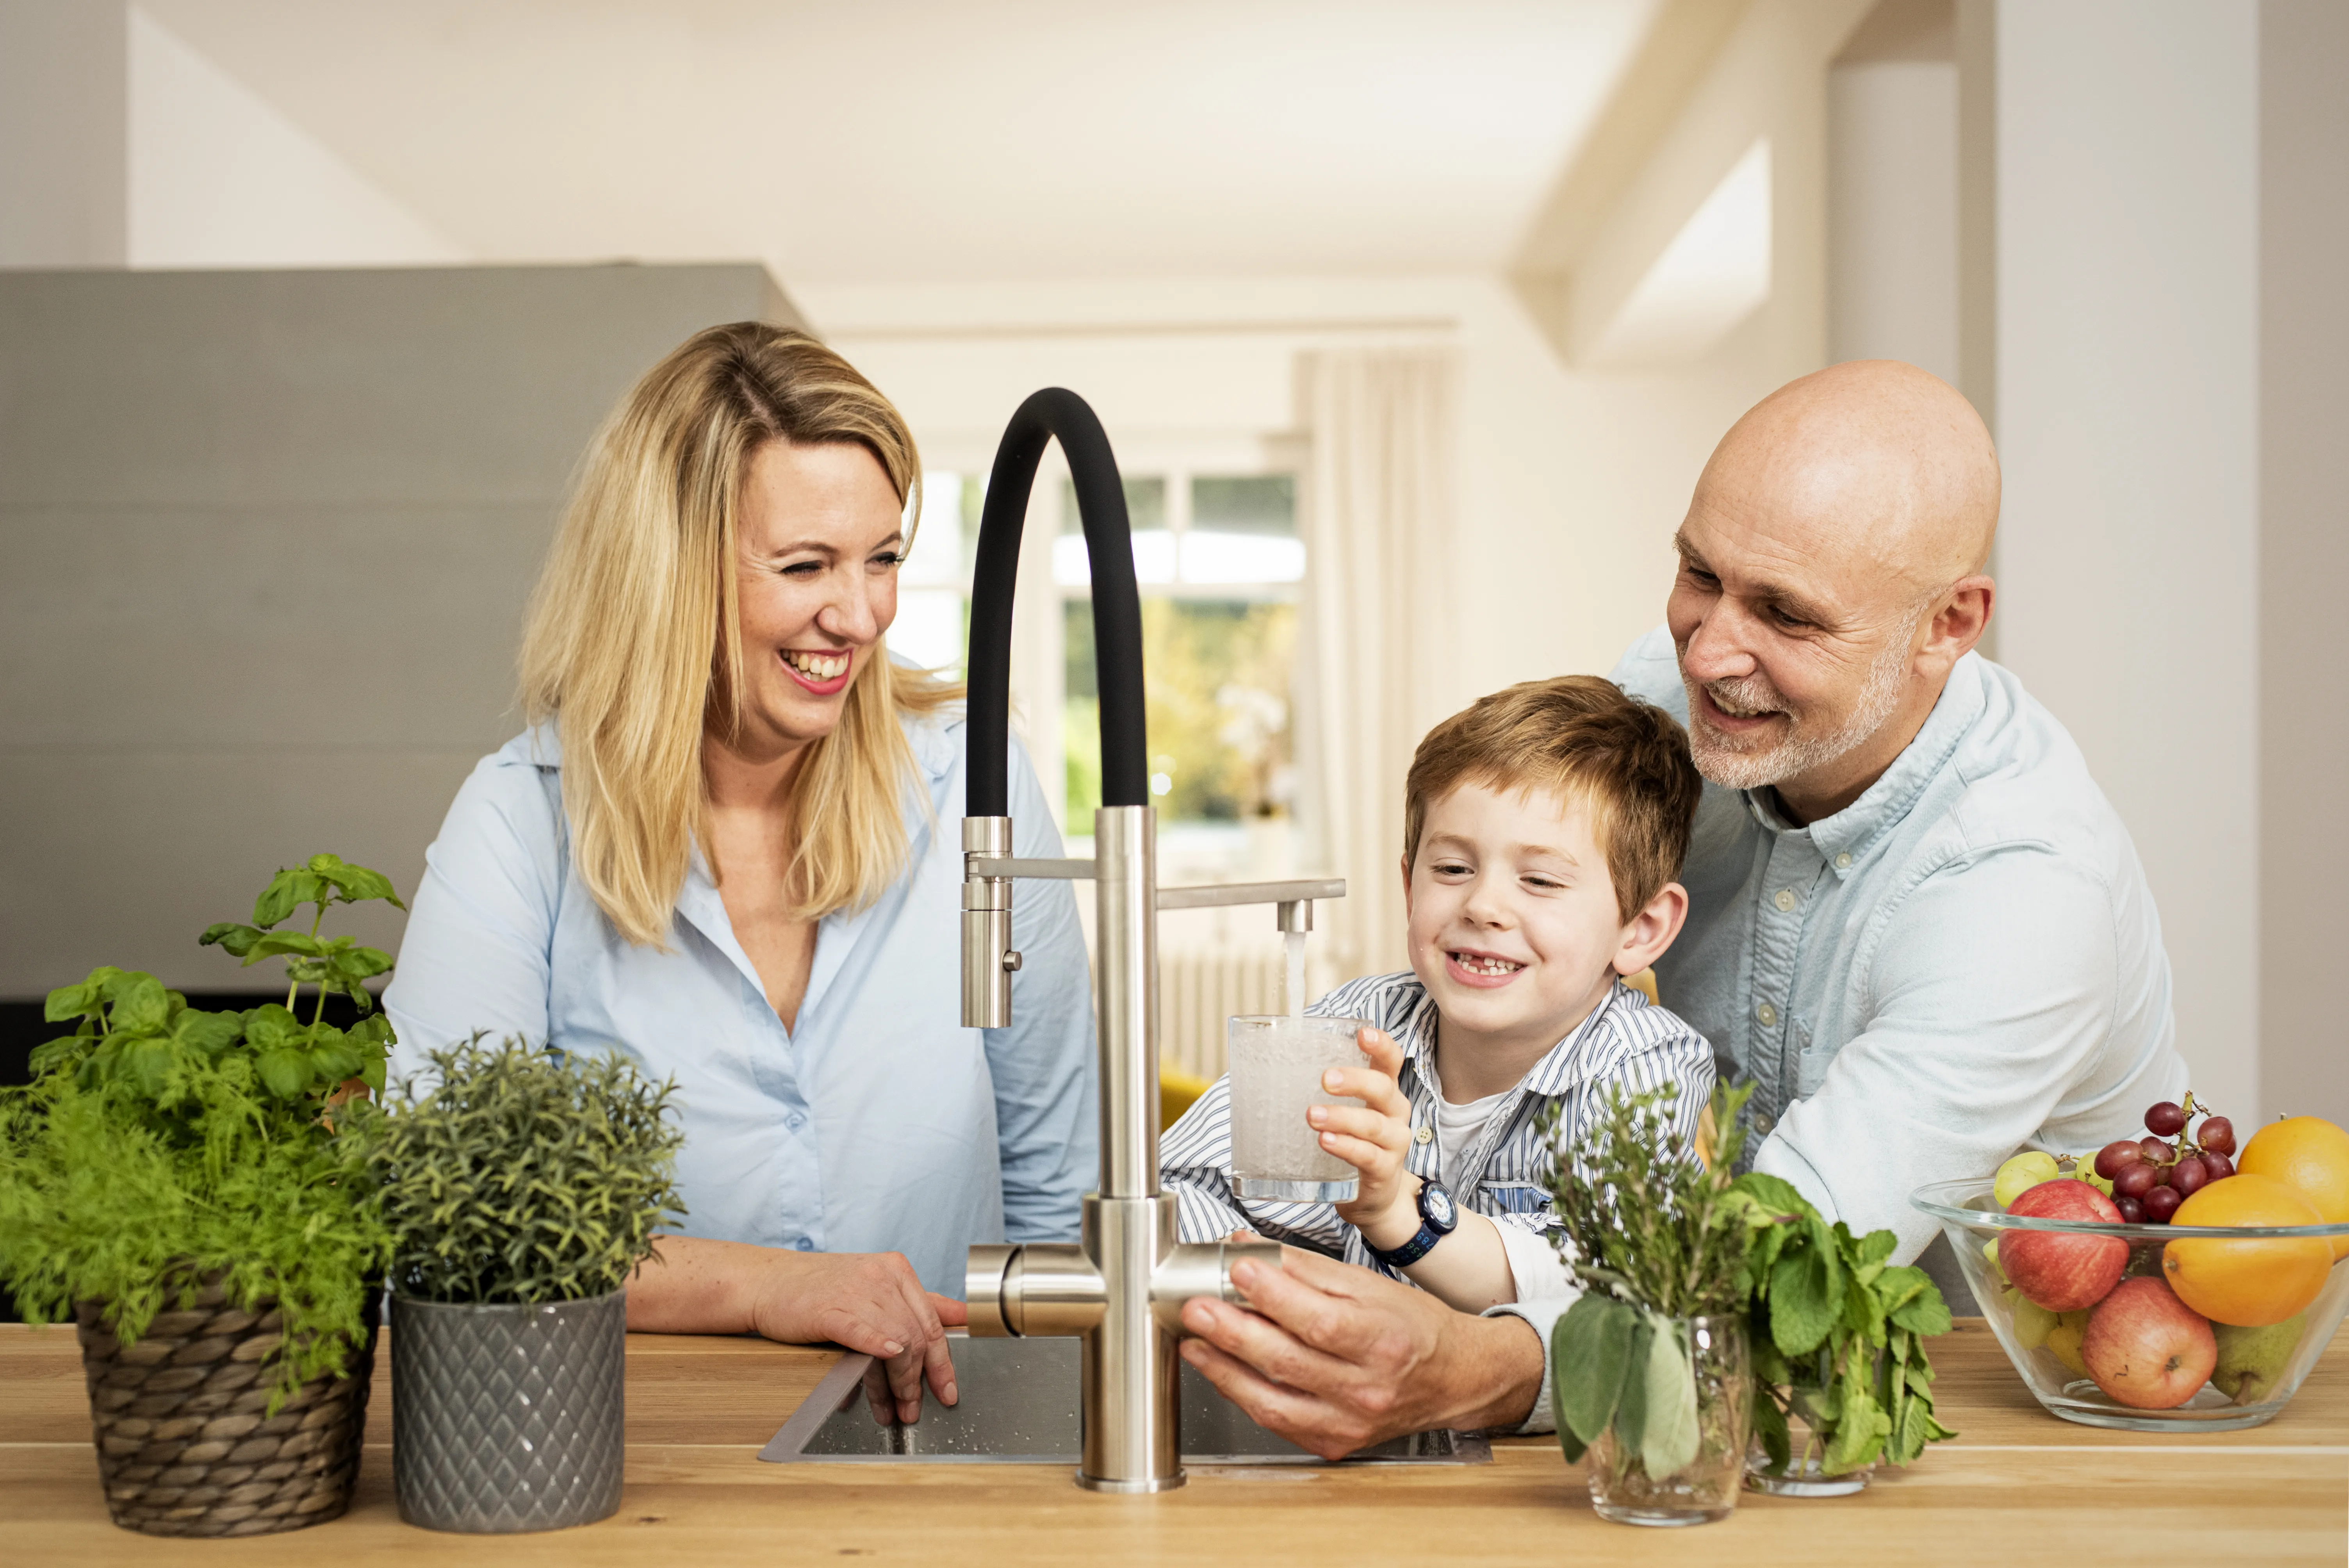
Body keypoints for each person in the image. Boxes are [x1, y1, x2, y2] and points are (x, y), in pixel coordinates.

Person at [1174, 360, 2185, 1457]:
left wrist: (1481, 1365)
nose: (1704, 653)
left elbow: (1781, 1272)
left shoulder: (2022, 897)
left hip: (1983, 1397)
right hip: (1687, 1388)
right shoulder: (1676, 707)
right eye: (1700, 573)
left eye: (1785, 613)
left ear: (1948, 623)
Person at [383, 323, 1097, 1424]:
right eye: (806, 566)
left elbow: (1056, 1187)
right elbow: (444, 1230)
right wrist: (766, 1286)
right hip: (645, 1449)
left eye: (883, 558)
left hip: (946, 1429)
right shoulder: (520, 824)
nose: (859, 616)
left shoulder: (974, 785)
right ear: (666, 576)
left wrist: (1054, 1438)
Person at [1162, 676, 1713, 1312]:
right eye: (1453, 869)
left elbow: (1610, 1283)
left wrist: (1399, 1212)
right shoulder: (1358, 1024)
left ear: (1641, 929)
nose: (1482, 905)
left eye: (1539, 880)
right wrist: (1265, 1287)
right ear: (1410, 888)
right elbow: (1178, 1187)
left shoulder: (1645, 1065)